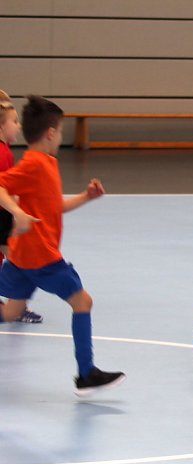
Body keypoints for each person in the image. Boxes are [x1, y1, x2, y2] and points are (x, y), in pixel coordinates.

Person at [0, 95, 125, 396]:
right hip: (42, 258)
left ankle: (86, 374)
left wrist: (85, 197)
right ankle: (86, 374)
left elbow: (52, 207)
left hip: (20, 259)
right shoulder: (35, 164)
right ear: (51, 133)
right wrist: (16, 212)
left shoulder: (44, 164)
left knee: (10, 313)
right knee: (83, 303)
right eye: (62, 131)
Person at [0, 90, 44, 324]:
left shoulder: (4, 151)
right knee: (17, 259)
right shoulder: (2, 154)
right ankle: (18, 306)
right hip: (2, 217)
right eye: (14, 122)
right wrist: (15, 210)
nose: (18, 127)